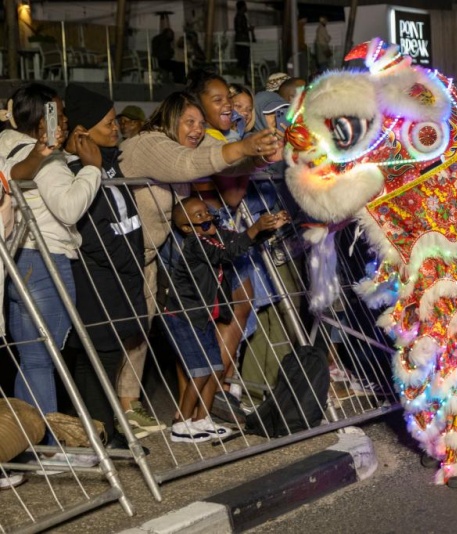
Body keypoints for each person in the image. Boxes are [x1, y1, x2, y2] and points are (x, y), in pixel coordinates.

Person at [116, 92, 281, 434]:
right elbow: (187, 165)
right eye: (189, 122)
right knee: (127, 331)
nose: (196, 130)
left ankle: (172, 413)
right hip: (123, 253)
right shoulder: (150, 143)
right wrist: (245, 146)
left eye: (200, 124)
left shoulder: (190, 140)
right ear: (170, 118)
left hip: (153, 251)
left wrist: (260, 156)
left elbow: (222, 161)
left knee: (143, 330)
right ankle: (121, 411)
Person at [0, 83, 102, 465]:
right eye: (56, 111)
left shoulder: (7, 144)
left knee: (31, 358)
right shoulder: (39, 156)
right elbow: (69, 207)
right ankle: (49, 446)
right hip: (45, 258)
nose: (63, 119)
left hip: (19, 258)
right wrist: (93, 169)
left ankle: (25, 441)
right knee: (45, 357)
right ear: (38, 117)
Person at [63, 84, 154, 446]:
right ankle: (106, 434)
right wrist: (130, 262)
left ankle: (102, 431)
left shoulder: (111, 165)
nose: (116, 129)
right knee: (97, 358)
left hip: (124, 276)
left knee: (107, 357)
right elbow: (93, 232)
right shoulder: (78, 173)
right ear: (83, 132)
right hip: (100, 280)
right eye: (109, 123)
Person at [164, 197, 289, 442]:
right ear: (186, 228)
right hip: (184, 316)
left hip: (204, 317)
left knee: (215, 368)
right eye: (198, 216)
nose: (206, 216)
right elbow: (228, 252)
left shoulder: (217, 236)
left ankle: (202, 419)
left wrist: (268, 228)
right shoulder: (195, 245)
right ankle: (182, 424)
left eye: (206, 211)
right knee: (200, 371)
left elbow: (240, 244)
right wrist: (253, 229)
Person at [234, 1, 254, 74]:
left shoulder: (241, 16)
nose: (246, 8)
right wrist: (248, 29)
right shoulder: (240, 16)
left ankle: (243, 77)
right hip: (242, 42)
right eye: (245, 6)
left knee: (244, 61)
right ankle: (242, 77)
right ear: (242, 7)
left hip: (242, 41)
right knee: (243, 60)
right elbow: (239, 29)